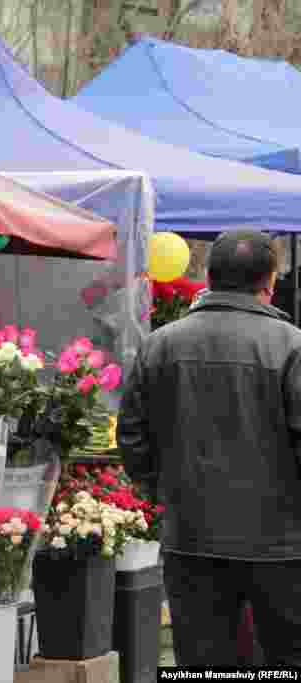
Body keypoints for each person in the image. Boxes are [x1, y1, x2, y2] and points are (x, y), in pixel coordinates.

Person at [118, 229, 301, 666]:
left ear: (208, 275)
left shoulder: (160, 343)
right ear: (269, 281)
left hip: (191, 535)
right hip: (282, 543)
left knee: (200, 659)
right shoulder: (292, 344)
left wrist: (161, 490)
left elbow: (132, 435)